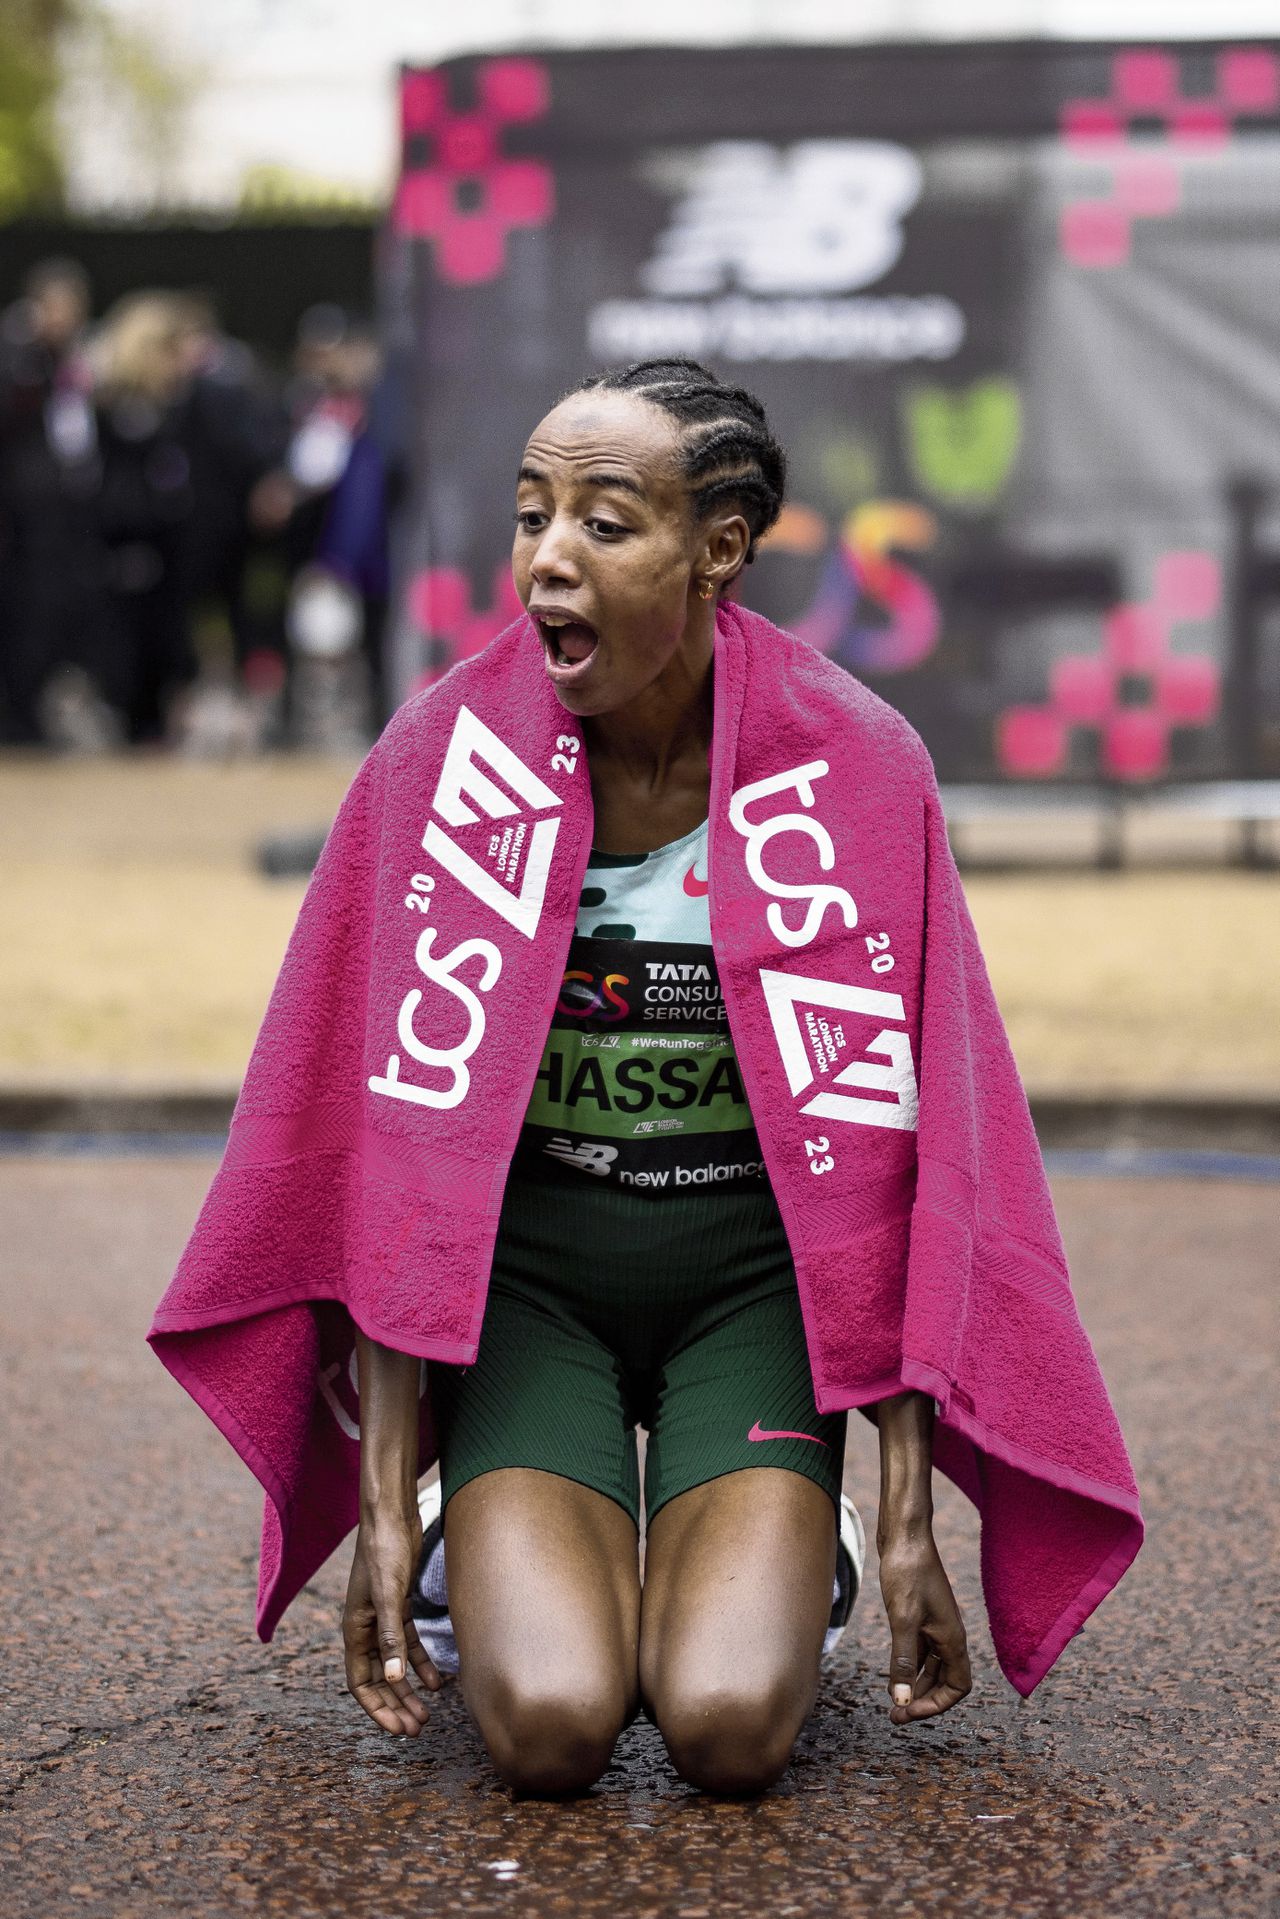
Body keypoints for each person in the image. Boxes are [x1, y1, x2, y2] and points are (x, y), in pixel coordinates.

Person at [340, 359, 972, 1796]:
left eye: (606, 523)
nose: (548, 558)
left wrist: (911, 1509)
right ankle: (471, 1511)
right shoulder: (440, 765)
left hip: (750, 1288)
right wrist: (382, 1504)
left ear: (720, 552)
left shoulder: (858, 767)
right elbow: (397, 1146)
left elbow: (903, 1157)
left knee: (728, 1728)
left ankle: (813, 1540)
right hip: (534, 1291)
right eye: (529, 516)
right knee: (554, 1729)